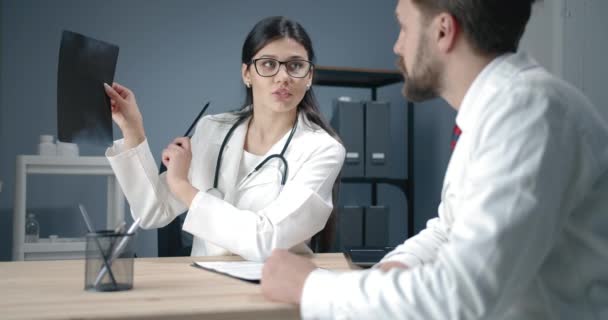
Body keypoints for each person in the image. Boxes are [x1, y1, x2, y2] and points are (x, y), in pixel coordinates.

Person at [261, 0, 608, 318]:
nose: (397, 46)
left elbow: (459, 296)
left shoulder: (529, 113)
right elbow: (448, 228)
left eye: (404, 27)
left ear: (443, 30)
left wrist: (309, 286)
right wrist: (394, 266)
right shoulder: (496, 110)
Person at [103, 16, 345, 262]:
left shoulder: (322, 148)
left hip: (273, 285)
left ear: (309, 76)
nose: (283, 76)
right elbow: (152, 211)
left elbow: (267, 240)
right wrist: (133, 130)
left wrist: (182, 186)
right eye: (268, 64)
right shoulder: (212, 129)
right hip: (207, 285)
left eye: (295, 66)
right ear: (247, 74)